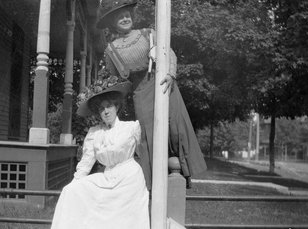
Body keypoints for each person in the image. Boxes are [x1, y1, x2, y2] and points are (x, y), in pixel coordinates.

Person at [96, 0, 207, 189]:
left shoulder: (148, 34)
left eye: (127, 15)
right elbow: (116, 81)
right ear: (113, 22)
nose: (125, 19)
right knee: (148, 135)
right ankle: (154, 184)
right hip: (139, 92)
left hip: (163, 84)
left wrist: (171, 74)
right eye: (120, 17)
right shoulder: (111, 50)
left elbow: (169, 53)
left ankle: (182, 176)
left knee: (175, 127)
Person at [50, 81, 150, 229]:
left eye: (109, 106)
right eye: (102, 109)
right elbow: (86, 163)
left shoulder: (131, 128)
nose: (106, 111)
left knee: (124, 221)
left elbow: (145, 153)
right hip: (107, 177)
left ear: (117, 107)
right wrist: (75, 182)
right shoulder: (95, 133)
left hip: (129, 179)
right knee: (70, 191)